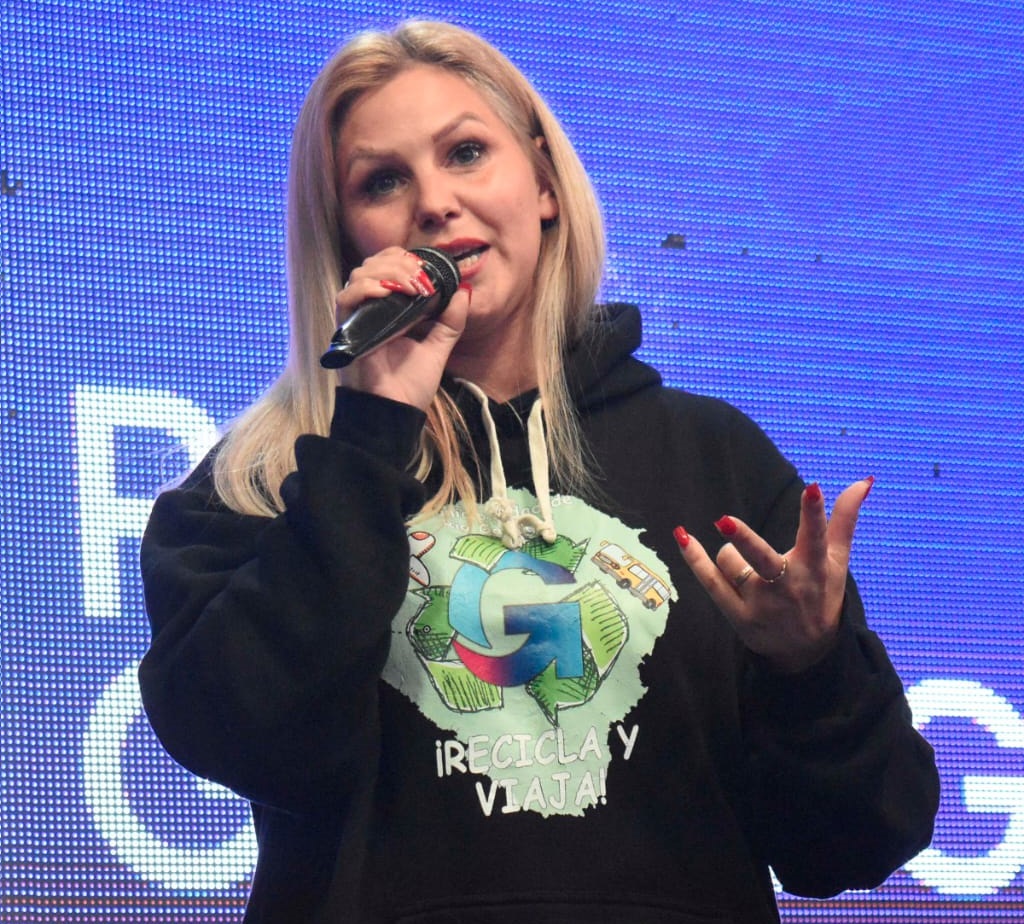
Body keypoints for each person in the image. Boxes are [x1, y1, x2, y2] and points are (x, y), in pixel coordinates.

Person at [139, 20, 939, 924]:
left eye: (466, 153)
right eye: (382, 181)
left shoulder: (713, 457)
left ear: (546, 185)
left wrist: (811, 667)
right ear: (344, 236)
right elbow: (253, 743)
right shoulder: (257, 481)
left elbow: (853, 845)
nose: (434, 203)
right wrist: (367, 439)